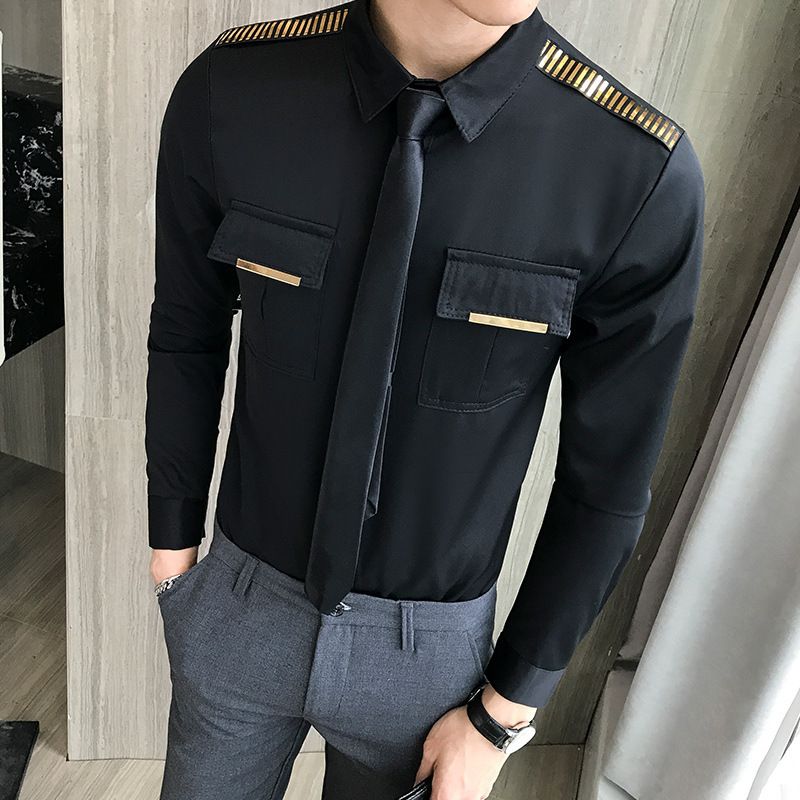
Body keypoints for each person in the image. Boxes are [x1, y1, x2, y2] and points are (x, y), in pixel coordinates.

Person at [145, 1, 705, 798]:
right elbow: (186, 330)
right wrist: (174, 559)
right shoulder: (234, 89)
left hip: (428, 667)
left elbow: (608, 482)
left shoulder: (635, 172)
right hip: (239, 611)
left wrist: (502, 714)